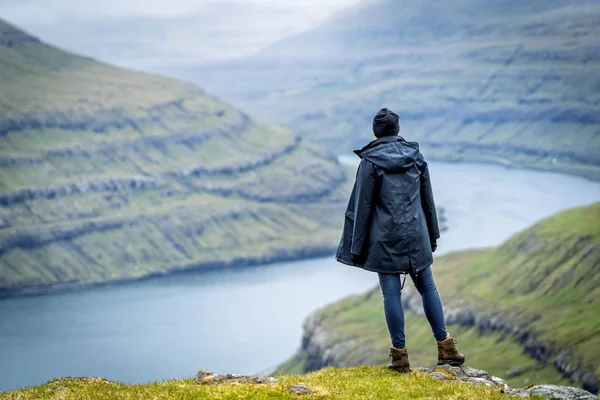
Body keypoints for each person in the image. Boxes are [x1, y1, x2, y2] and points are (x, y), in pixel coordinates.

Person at [336, 108, 465, 373]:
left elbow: (363, 209)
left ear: (376, 132)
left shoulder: (370, 162)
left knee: (391, 293)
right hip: (416, 236)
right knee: (428, 287)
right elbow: (428, 201)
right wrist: (432, 236)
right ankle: (446, 347)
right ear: (397, 130)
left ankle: (400, 356)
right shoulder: (416, 157)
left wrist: (356, 248)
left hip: (385, 241)